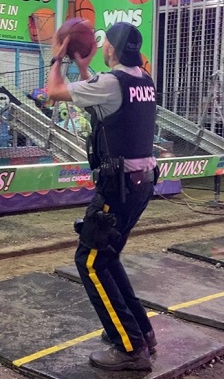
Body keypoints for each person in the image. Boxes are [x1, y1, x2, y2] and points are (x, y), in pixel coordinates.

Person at [48, 22, 159, 372]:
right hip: (141, 183)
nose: (103, 45)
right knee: (107, 258)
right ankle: (140, 332)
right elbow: (103, 98)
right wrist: (83, 68)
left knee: (91, 261)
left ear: (111, 48)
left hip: (119, 186)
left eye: (105, 42)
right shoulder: (142, 79)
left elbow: (53, 91)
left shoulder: (111, 83)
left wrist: (58, 58)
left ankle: (130, 348)